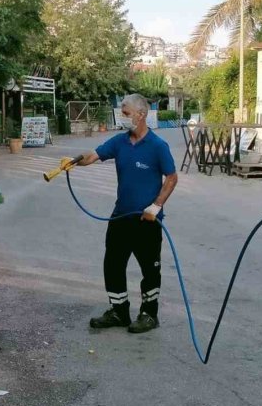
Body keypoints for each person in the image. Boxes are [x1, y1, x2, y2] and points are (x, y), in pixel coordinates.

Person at [66, 93, 178, 334]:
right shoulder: (119, 142)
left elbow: (171, 177)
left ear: (141, 114)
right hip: (120, 217)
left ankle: (149, 314)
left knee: (150, 268)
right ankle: (119, 311)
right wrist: (74, 161)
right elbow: (93, 155)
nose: (122, 116)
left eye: (126, 112)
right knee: (113, 264)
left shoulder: (158, 146)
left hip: (147, 220)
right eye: (121, 111)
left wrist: (156, 206)